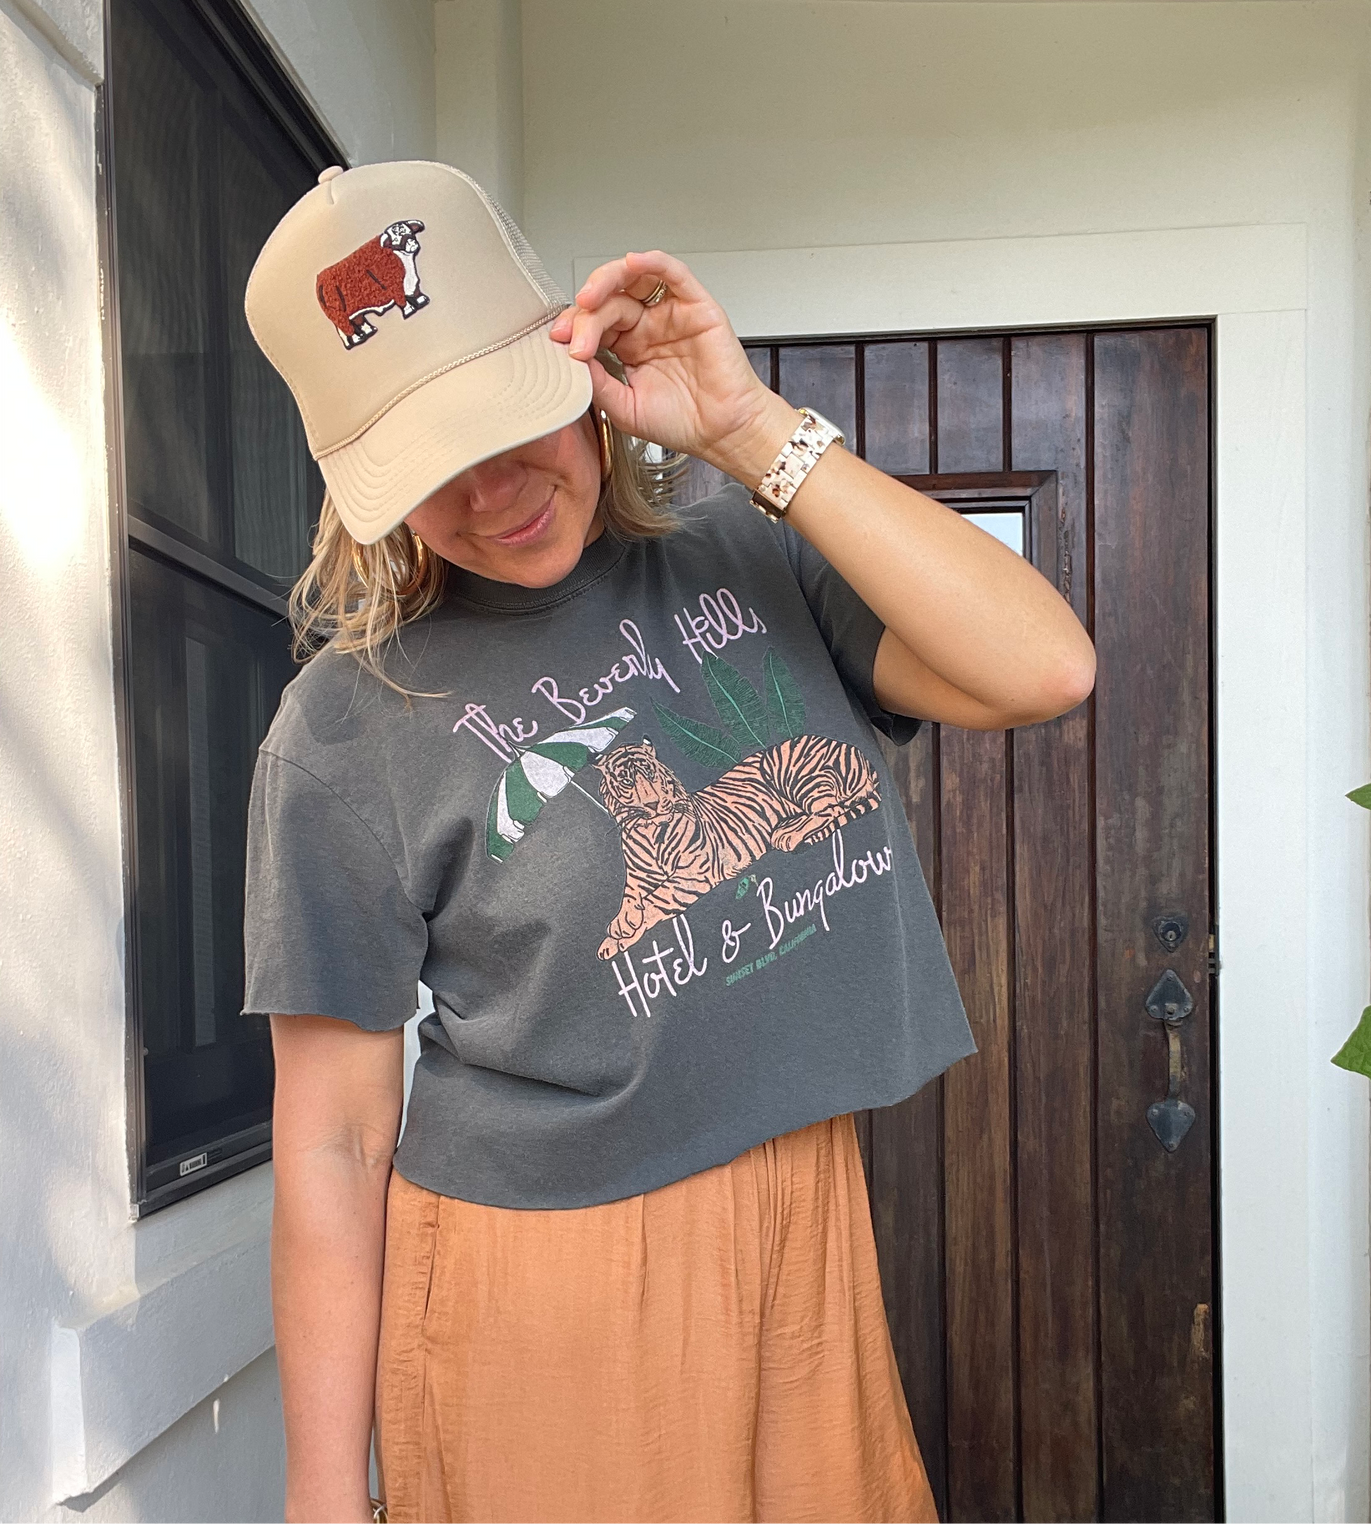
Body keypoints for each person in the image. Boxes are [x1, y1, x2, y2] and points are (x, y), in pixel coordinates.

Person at [242, 160, 1095, 1524]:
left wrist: (752, 429)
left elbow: (1042, 668)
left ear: (573, 357)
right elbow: (336, 1141)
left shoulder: (746, 549)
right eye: (433, 466)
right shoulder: (346, 728)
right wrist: (321, 1499)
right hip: (546, 1284)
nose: (494, 494)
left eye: (509, 420)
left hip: (800, 1221)